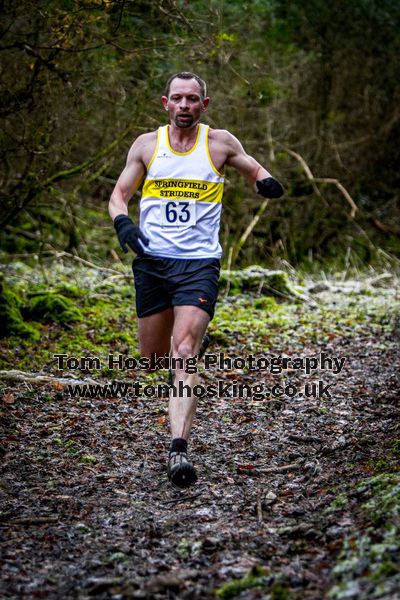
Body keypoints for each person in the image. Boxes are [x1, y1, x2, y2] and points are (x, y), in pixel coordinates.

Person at [108, 72, 283, 489]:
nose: (185, 105)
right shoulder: (147, 145)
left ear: (204, 105)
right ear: (164, 103)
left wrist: (264, 182)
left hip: (198, 264)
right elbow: (119, 195)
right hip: (151, 263)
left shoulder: (219, 142)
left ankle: (178, 449)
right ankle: (175, 389)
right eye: (178, 99)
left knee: (184, 350)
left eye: (193, 99)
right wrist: (123, 225)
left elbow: (252, 167)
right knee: (153, 357)